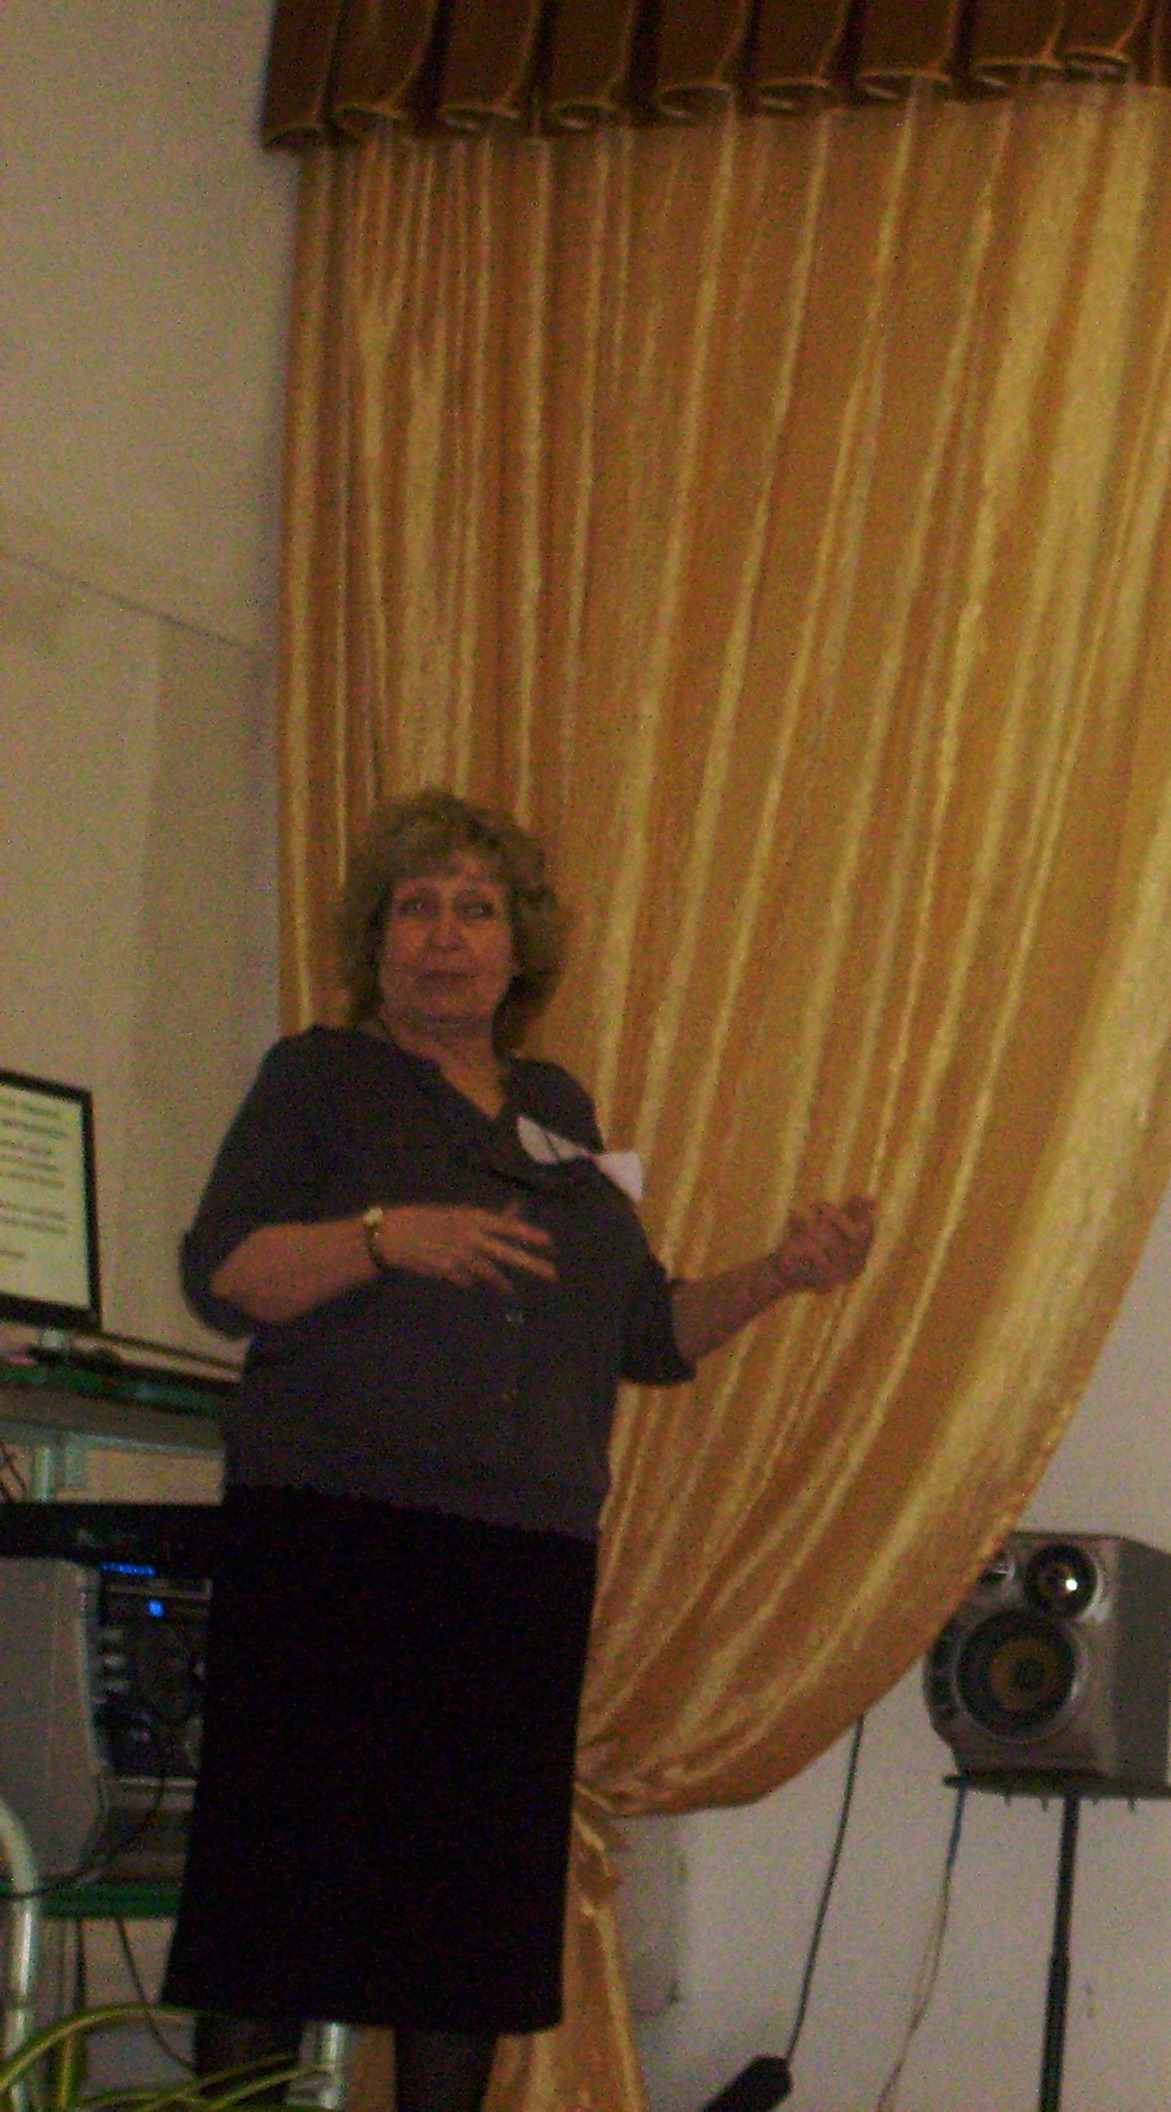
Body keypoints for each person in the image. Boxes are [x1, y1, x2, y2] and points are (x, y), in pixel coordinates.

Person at [163, 789, 874, 2112]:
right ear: (376, 942)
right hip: (336, 1542)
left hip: (516, 1569)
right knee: (275, 1916)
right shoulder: (318, 1079)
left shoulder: (558, 1108)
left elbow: (646, 1331)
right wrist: (387, 1237)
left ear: (518, 946)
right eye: (418, 908)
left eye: (476, 909)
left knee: (461, 1947)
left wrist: (781, 1273)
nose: (446, 936)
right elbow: (227, 1274)